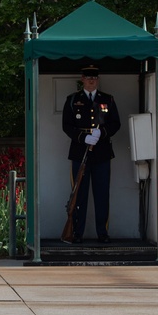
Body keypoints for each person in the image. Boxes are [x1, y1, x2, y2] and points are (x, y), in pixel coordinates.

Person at [61, 64, 121, 243]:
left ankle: (102, 233)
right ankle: (76, 233)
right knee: (80, 194)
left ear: (98, 79)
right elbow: (66, 126)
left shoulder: (107, 100)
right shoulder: (73, 100)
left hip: (101, 153)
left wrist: (101, 133)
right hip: (80, 152)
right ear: (82, 79)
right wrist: (83, 137)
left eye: (94, 78)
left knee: (102, 194)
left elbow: (115, 123)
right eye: (88, 77)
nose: (91, 80)